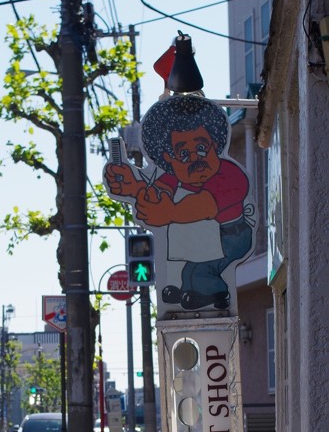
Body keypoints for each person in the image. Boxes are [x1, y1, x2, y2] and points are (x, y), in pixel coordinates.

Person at [104, 95, 254, 311]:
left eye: (202, 148)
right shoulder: (174, 175)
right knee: (189, 270)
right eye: (183, 153)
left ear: (215, 144)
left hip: (234, 235)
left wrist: (170, 212)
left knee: (203, 269)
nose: (195, 158)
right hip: (208, 237)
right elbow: (156, 196)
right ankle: (189, 290)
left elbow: (202, 205)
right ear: (169, 158)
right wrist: (132, 187)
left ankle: (215, 292)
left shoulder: (229, 175)